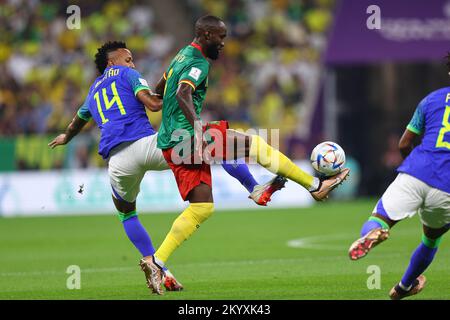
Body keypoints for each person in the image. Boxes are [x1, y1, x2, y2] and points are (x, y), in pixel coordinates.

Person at [49, 41, 286, 293]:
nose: (132, 63)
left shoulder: (92, 91)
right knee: (214, 141)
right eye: (127, 59)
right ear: (112, 62)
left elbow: (79, 119)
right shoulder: (128, 75)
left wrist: (66, 136)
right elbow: (152, 104)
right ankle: (254, 187)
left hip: (118, 162)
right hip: (147, 146)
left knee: (127, 214)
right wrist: (173, 89)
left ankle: (157, 267)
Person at [141, 15, 350, 295]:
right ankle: (315, 186)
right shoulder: (198, 62)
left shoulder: (182, 55)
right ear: (204, 34)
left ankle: (157, 261)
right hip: (186, 136)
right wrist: (199, 127)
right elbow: (182, 92)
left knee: (202, 207)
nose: (224, 43)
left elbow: (162, 87)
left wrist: (154, 101)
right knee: (255, 146)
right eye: (219, 37)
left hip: (168, 141)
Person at [348, 76, 450, 299]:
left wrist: (412, 166)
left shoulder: (431, 100)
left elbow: (404, 143)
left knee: (379, 218)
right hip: (446, 188)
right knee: (431, 239)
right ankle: (403, 287)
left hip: (415, 172)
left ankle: (372, 234)